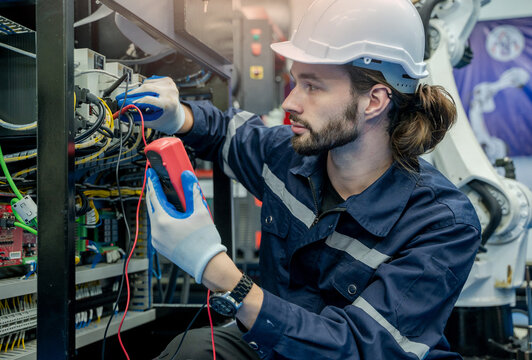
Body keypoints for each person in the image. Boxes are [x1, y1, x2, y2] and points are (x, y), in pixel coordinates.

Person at [118, 0, 481, 358]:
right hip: (274, 345)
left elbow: (359, 347)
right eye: (295, 81)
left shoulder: (442, 223)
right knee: (193, 353)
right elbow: (225, 134)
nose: (290, 101)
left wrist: (217, 271)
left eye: (313, 86)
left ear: (374, 100)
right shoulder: (290, 156)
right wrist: (176, 115)